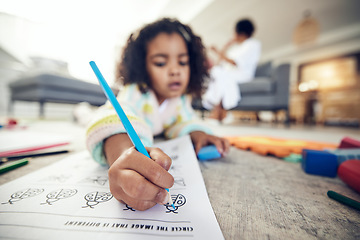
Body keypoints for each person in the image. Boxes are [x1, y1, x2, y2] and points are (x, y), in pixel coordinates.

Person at [86, 18, 230, 211]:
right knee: (87, 115)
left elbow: (184, 121)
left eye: (183, 62)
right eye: (161, 63)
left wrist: (198, 133)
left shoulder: (180, 99)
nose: (175, 70)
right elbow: (114, 117)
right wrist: (122, 154)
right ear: (143, 67)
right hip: (126, 122)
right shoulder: (136, 91)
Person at [202, 18, 261, 123]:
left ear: (239, 32)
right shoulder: (236, 48)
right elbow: (219, 64)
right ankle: (221, 112)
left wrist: (218, 52)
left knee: (222, 74)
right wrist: (226, 46)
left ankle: (218, 111)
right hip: (230, 73)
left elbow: (235, 63)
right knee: (217, 72)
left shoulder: (252, 44)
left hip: (243, 74)